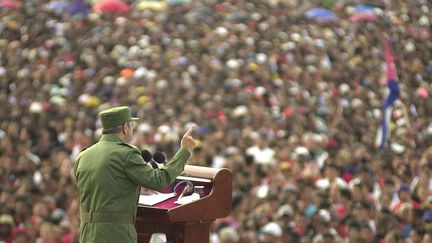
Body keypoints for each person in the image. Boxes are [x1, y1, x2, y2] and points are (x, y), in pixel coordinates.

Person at [73, 106, 197, 243]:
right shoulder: (126, 153)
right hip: (116, 235)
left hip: (87, 234)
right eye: (131, 125)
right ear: (125, 127)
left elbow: (101, 189)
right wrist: (184, 151)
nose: (132, 129)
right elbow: (159, 181)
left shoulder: (83, 156)